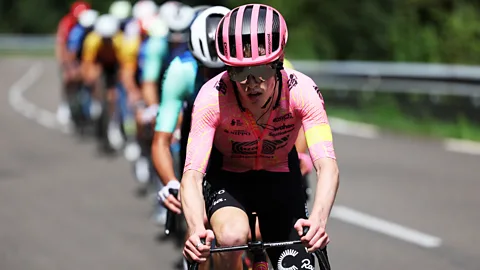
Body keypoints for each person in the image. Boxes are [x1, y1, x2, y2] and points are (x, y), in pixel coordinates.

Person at [181, 4, 339, 270]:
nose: (251, 83)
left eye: (262, 71)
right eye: (239, 72)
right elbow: (192, 174)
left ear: (279, 62)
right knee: (232, 237)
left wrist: (319, 221)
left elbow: (327, 165)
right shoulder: (211, 97)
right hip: (229, 178)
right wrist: (197, 228)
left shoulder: (304, 91)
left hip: (280, 178)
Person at [152, 7, 231, 269]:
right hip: (199, 155)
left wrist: (300, 158)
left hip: (244, 152)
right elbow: (161, 141)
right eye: (206, 70)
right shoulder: (181, 71)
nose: (215, 78)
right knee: (199, 234)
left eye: (224, 70)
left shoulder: (263, 72)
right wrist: (171, 182)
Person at [55, 1, 91, 125]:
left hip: (86, 55)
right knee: (68, 79)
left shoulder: (90, 24)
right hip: (70, 54)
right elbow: (62, 45)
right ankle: (65, 105)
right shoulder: (67, 23)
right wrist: (66, 66)